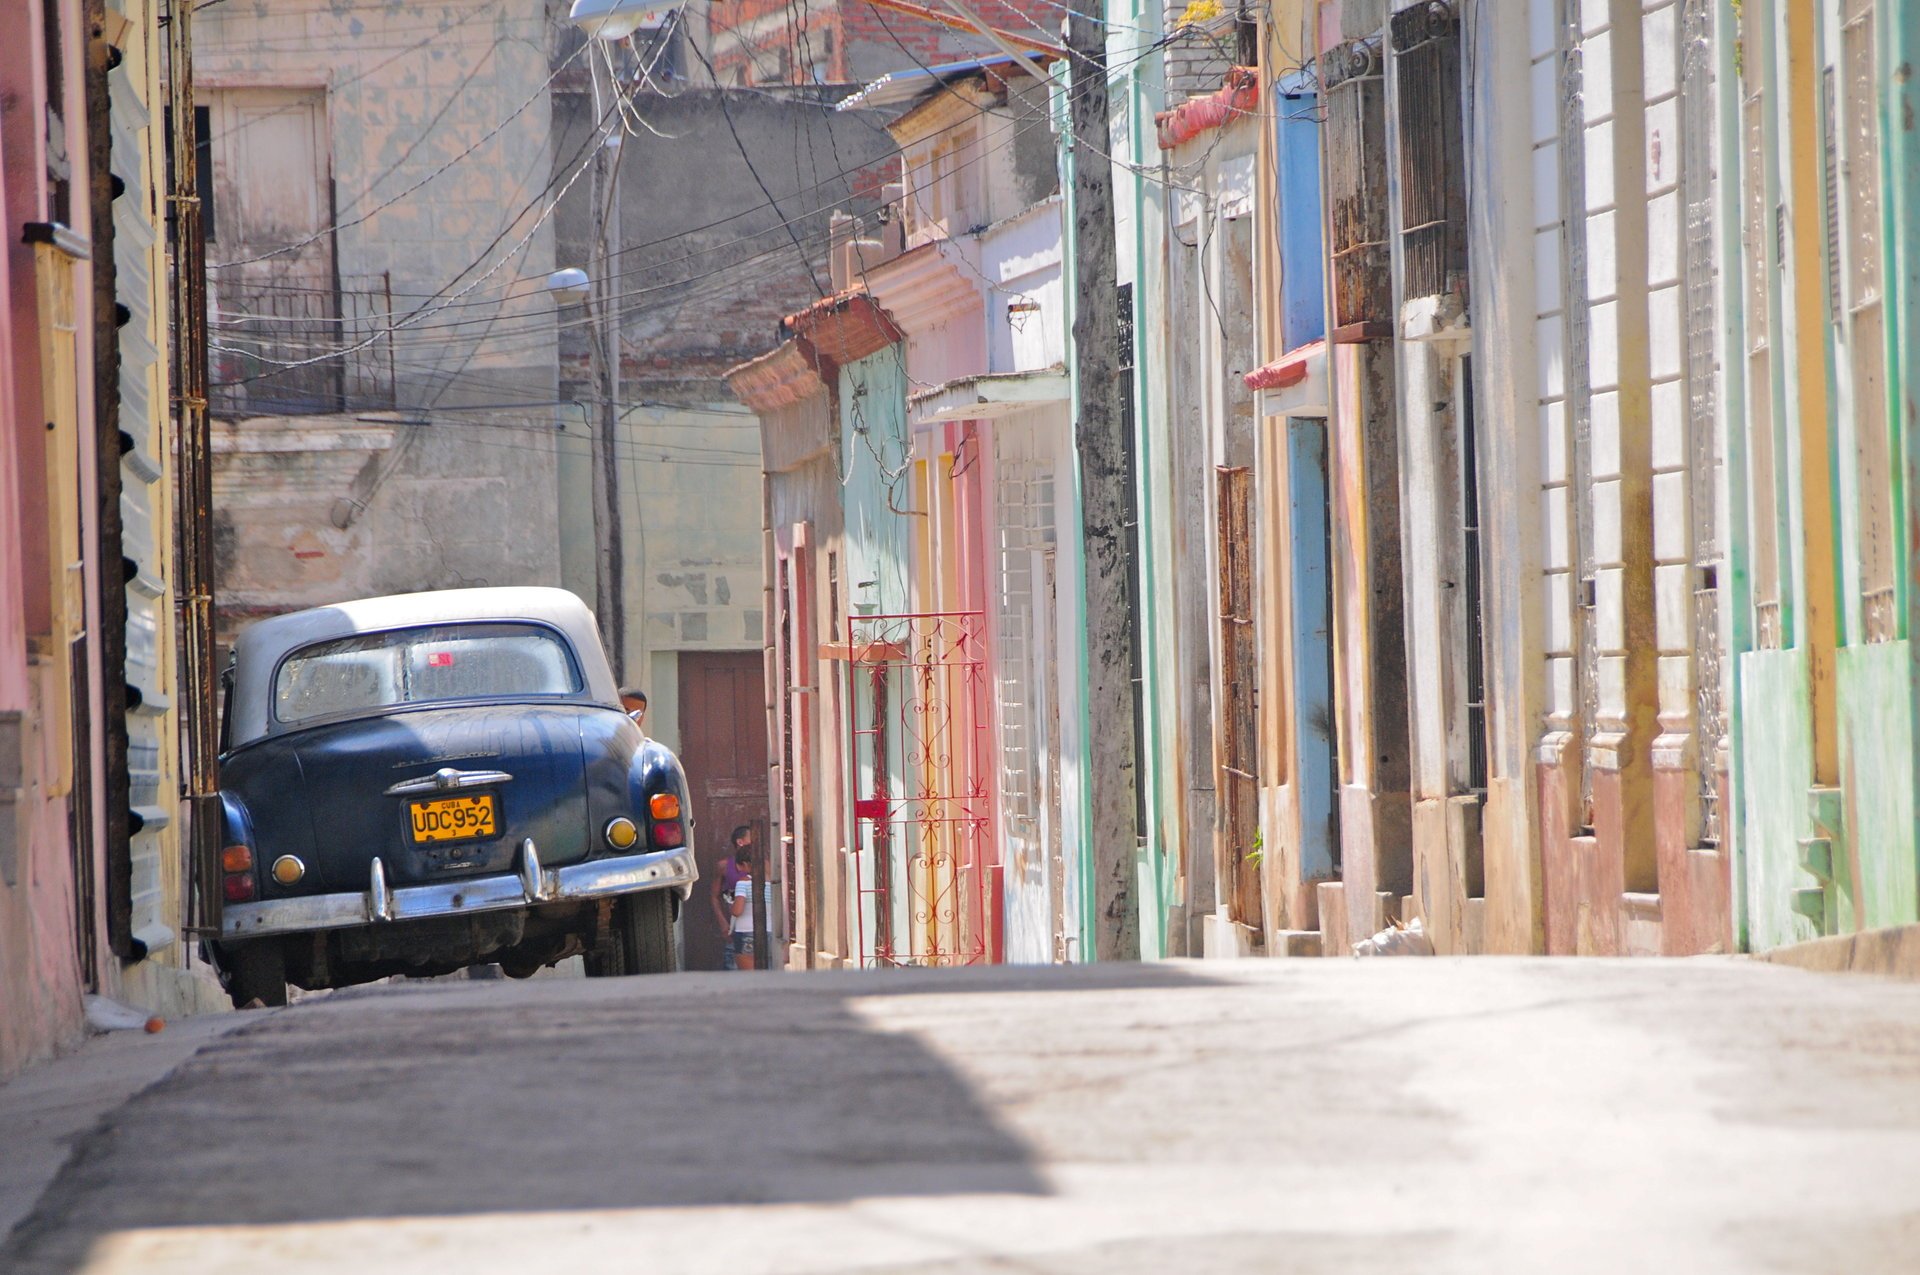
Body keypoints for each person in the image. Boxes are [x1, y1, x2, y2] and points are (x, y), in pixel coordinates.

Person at [711, 825, 757, 970]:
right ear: (740, 842)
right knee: (732, 965)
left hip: (758, 925)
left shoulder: (762, 864)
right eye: (751, 839)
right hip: (734, 924)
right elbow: (714, 896)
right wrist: (723, 923)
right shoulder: (724, 866)